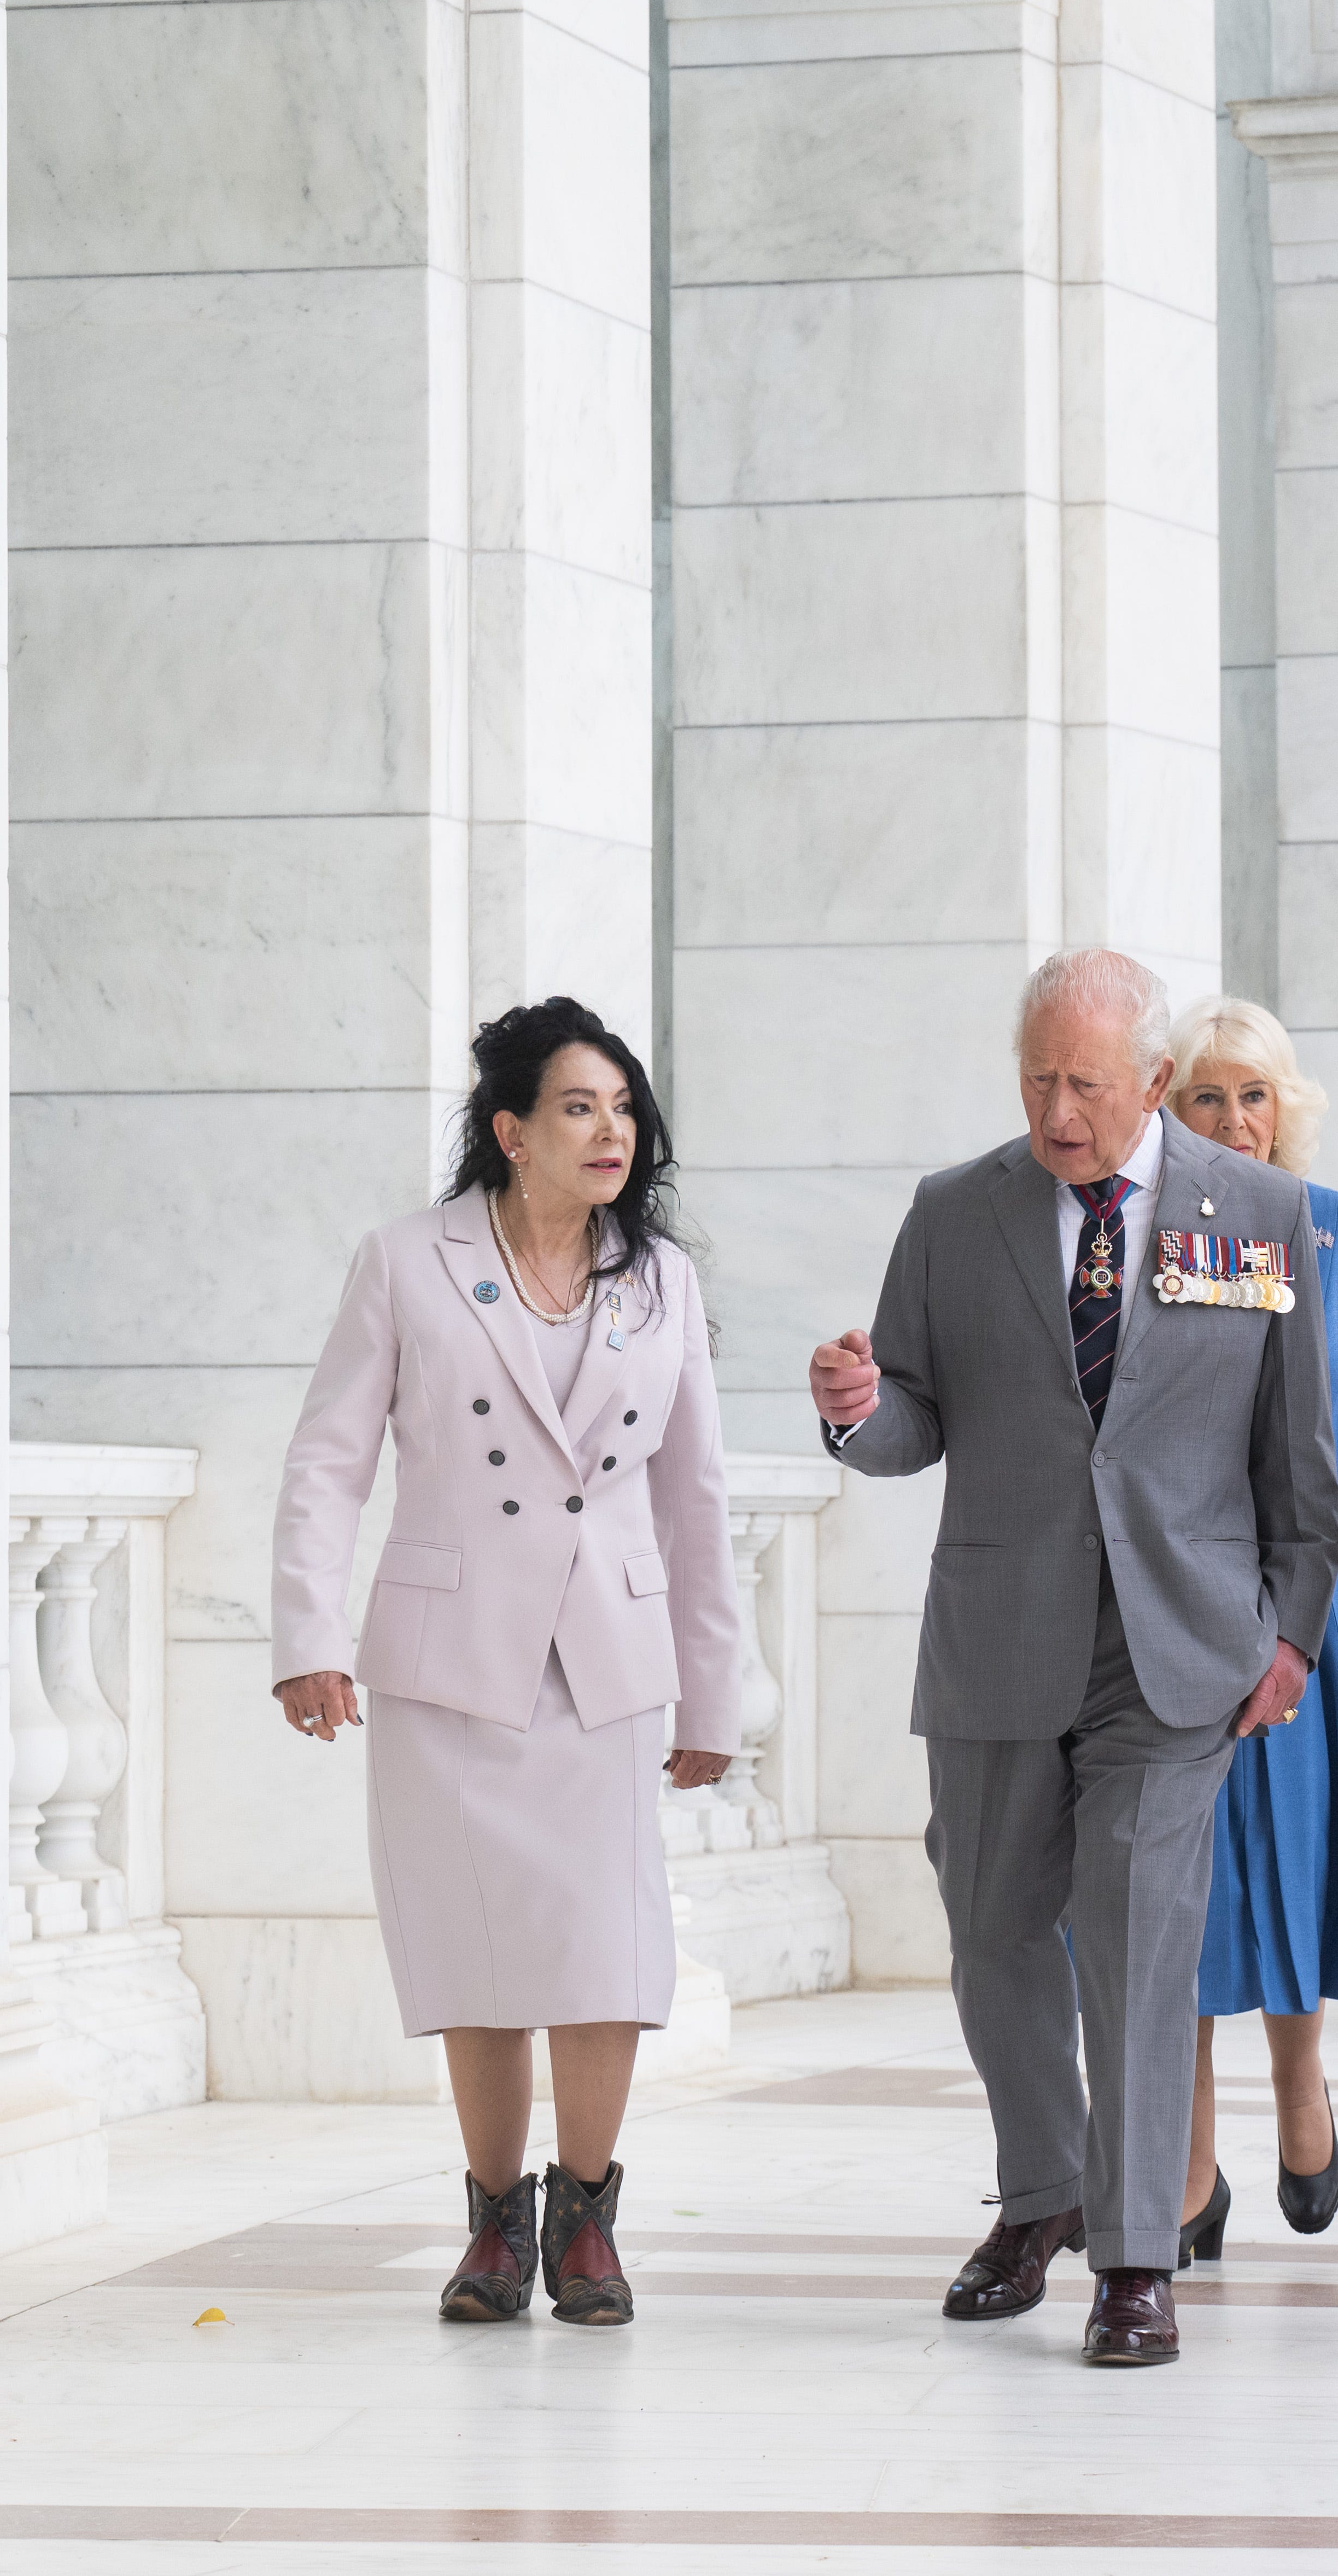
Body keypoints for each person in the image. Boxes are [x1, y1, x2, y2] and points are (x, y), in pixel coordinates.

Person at [809, 949, 1338, 2369]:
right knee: (992, 1934)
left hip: (1177, 1647)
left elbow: (1299, 1449)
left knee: (1136, 1936)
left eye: (1085, 1083)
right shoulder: (954, 1213)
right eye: (1036, 1078)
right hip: (999, 1634)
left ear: (1151, 1081)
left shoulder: (1262, 1213)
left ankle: (1131, 2253)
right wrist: (859, 1410)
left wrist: (1293, 1628)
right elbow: (912, 1410)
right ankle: (1038, 2194)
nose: (1057, 1109)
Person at [268, 996, 752, 2330]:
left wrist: (717, 1687)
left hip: (605, 1656)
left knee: (603, 1946)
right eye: (579, 1107)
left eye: (623, 1107)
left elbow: (694, 1502)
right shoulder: (407, 1261)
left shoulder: (663, 1281)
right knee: (472, 1948)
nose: (613, 1131)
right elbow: (327, 1458)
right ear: (511, 1131)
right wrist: (308, 1633)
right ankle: (494, 2221)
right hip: (449, 1656)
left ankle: (586, 2216)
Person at [1164, 997, 1338, 2249]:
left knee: (1293, 1862)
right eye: (1205, 1095)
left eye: (1252, 1094)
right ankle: (1186, 2151)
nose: (1232, 1119)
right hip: (1165, 1615)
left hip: (1301, 1614)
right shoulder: (1140, 1230)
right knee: (1174, 1883)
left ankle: (1301, 2084)